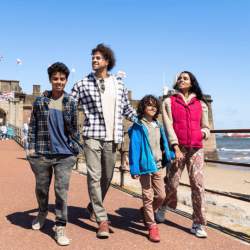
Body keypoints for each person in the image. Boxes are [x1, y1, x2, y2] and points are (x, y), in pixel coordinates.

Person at [71, 44, 137, 238]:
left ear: (107, 61)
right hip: (92, 135)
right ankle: (102, 219)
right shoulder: (82, 84)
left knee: (107, 177)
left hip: (113, 137)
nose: (94, 60)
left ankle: (93, 206)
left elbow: (126, 109)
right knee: (94, 176)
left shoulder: (119, 84)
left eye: (98, 57)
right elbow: (70, 107)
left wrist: (141, 120)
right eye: (92, 57)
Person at [28, 62, 80, 246]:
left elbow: (74, 128)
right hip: (42, 153)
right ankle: (42, 212)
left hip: (65, 155)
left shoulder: (72, 102)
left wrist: (76, 148)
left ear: (66, 80)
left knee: (61, 192)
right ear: (50, 80)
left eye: (62, 79)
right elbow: (33, 126)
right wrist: (31, 149)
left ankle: (60, 226)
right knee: (41, 189)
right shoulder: (40, 101)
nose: (59, 82)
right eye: (55, 78)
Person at [156, 71, 210, 238]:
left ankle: (198, 223)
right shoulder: (168, 102)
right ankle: (164, 207)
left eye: (185, 78)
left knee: (198, 185)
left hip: (196, 148)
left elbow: (206, 127)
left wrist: (202, 134)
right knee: (172, 183)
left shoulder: (201, 104)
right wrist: (175, 147)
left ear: (192, 82)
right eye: (179, 78)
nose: (181, 80)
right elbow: (168, 125)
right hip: (177, 149)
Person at [128, 95, 175, 242]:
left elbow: (163, 143)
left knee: (161, 196)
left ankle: (145, 211)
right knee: (147, 196)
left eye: (155, 105)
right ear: (143, 107)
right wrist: (134, 168)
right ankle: (151, 225)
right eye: (149, 105)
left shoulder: (158, 125)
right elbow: (134, 148)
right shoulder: (138, 126)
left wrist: (169, 154)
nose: (152, 107)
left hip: (158, 165)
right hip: (144, 166)